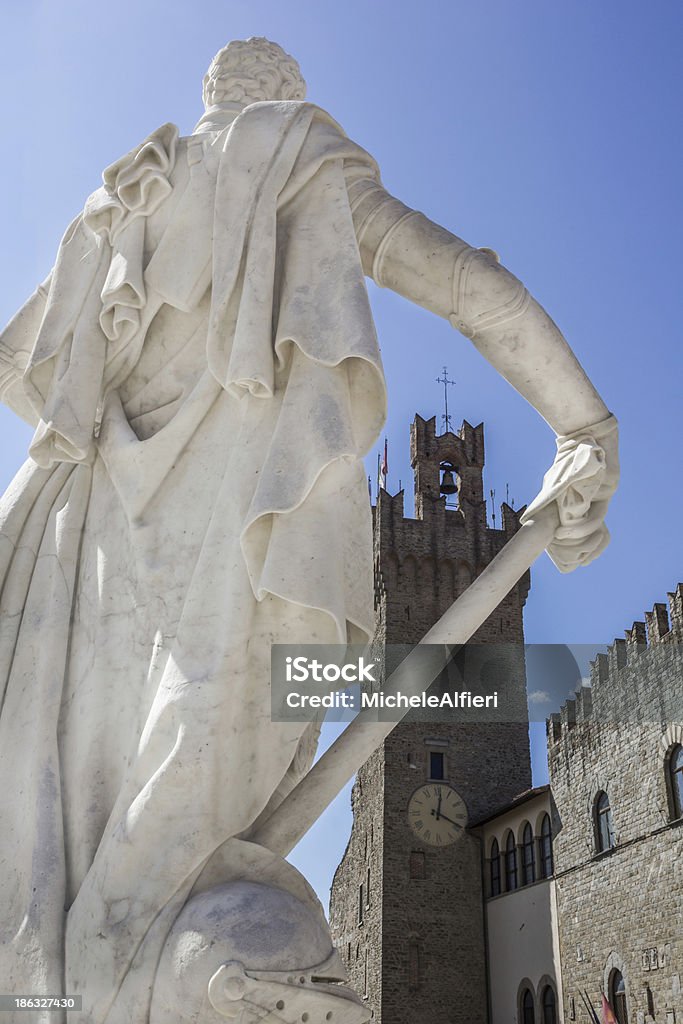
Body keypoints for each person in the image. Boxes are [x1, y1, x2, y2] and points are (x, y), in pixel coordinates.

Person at [0, 37, 618, 1022]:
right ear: (286, 101)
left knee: (70, 893)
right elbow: (466, 284)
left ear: (209, 100)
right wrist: (581, 422)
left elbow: (28, 373)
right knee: (147, 911)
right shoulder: (297, 163)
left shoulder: (121, 206)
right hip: (238, 562)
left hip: (84, 590)